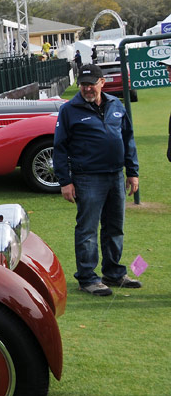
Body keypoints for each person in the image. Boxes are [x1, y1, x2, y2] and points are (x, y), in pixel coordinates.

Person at [53, 64, 141, 296]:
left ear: (102, 82)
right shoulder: (69, 110)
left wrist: (132, 172)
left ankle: (113, 272)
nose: (87, 88)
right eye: (83, 84)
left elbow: (127, 138)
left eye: (92, 83)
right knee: (88, 229)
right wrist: (65, 181)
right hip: (87, 178)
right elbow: (60, 148)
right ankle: (87, 278)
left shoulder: (115, 104)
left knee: (115, 227)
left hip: (115, 176)